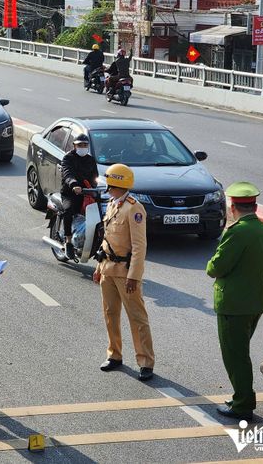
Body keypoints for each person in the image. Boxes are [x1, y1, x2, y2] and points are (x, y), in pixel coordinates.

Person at [206, 182, 263, 421]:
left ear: (233, 207)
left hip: (233, 304)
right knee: (240, 352)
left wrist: (213, 262)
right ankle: (239, 398)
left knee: (235, 355)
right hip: (253, 302)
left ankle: (243, 403)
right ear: (253, 206)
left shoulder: (237, 231)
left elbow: (216, 267)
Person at [92, 164, 155, 382]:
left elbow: (139, 246)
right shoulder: (112, 203)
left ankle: (145, 362)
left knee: (137, 318)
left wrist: (134, 277)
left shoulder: (133, 208)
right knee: (110, 314)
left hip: (126, 272)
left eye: (109, 183)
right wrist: (99, 267)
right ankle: (114, 355)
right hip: (108, 268)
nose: (107, 187)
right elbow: (106, 238)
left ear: (118, 183)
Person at [60, 134, 98, 259]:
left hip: (87, 194)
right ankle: (68, 242)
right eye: (80, 145)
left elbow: (95, 177)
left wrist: (96, 186)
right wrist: (74, 185)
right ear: (74, 146)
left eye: (85, 145)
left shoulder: (91, 160)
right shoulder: (68, 158)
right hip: (70, 193)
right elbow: (67, 174)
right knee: (68, 210)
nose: (82, 147)